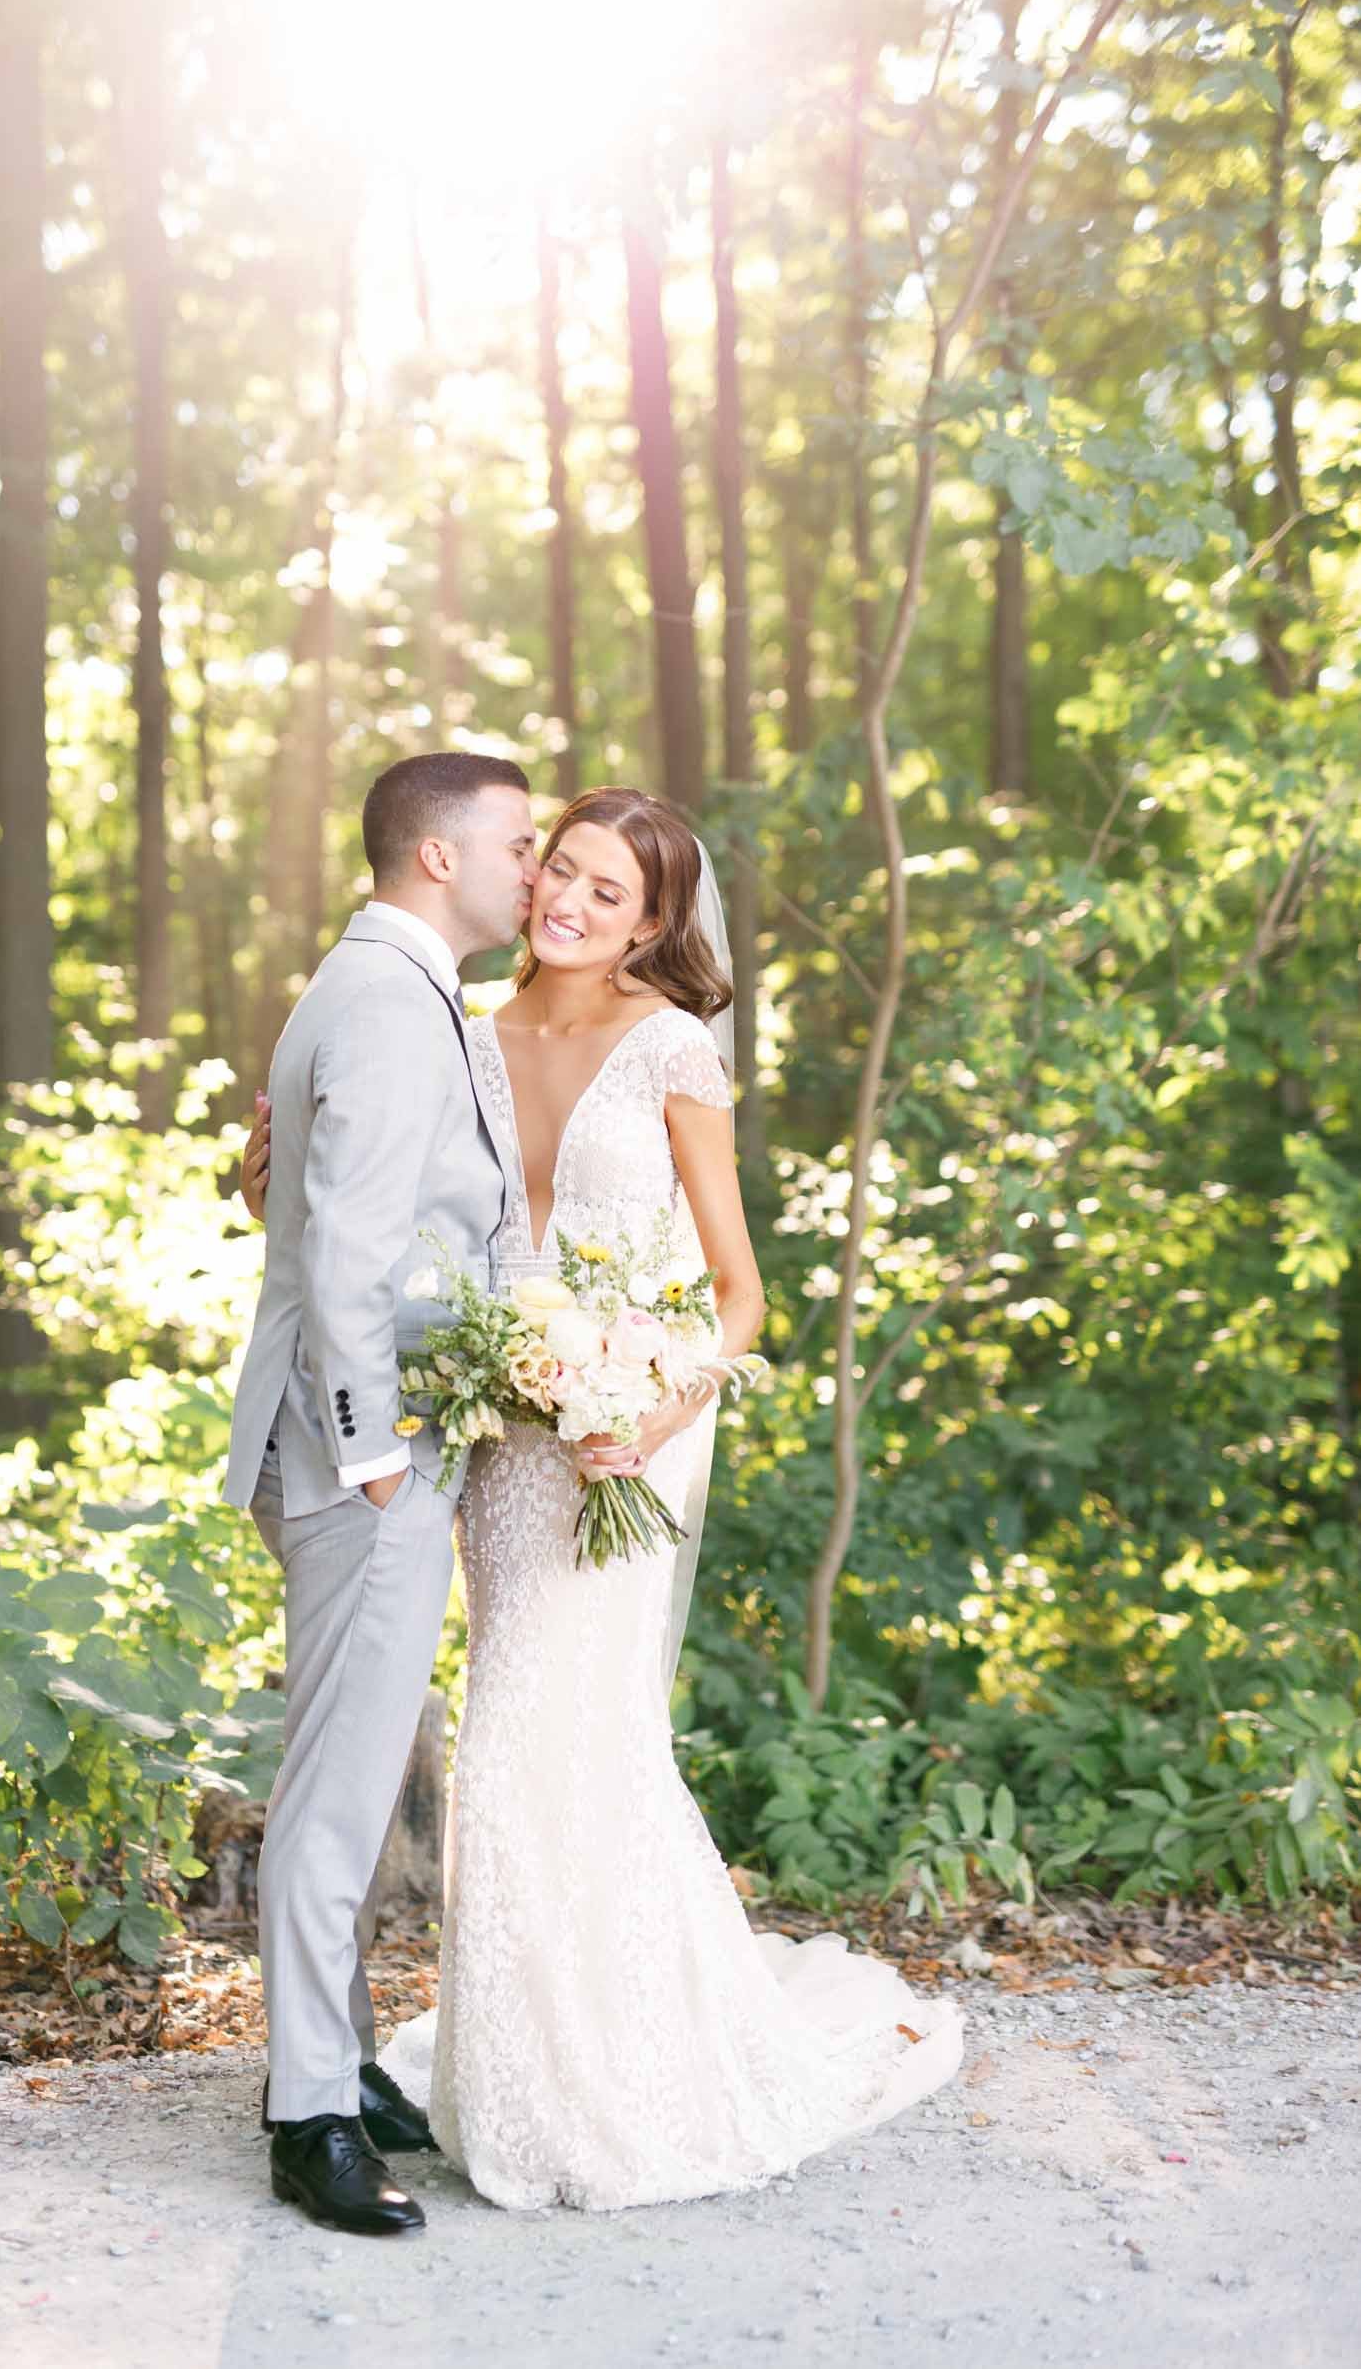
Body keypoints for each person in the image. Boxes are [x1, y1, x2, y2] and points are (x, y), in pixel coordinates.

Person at [239, 784, 963, 2217]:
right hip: (491, 1427)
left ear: (652, 924)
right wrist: (266, 1174)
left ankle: (614, 2070)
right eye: (557, 867)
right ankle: (513, 2067)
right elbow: (382, 1204)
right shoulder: (457, 1024)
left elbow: (741, 1296)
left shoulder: (676, 1049)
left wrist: (653, 1401)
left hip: (630, 1419)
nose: (566, 899)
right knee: (509, 1736)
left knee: (571, 1723)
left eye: (606, 892)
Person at [221, 751, 538, 2236]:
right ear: (436, 859)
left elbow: (334, 1198)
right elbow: (348, 1251)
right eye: (518, 845)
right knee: (340, 1787)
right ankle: (307, 2116)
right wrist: (370, 1448)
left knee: (340, 1762)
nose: (531, 872)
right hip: (367, 1449)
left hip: (383, 1437)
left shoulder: (388, 988)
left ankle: (337, 2052)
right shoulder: (386, 1000)